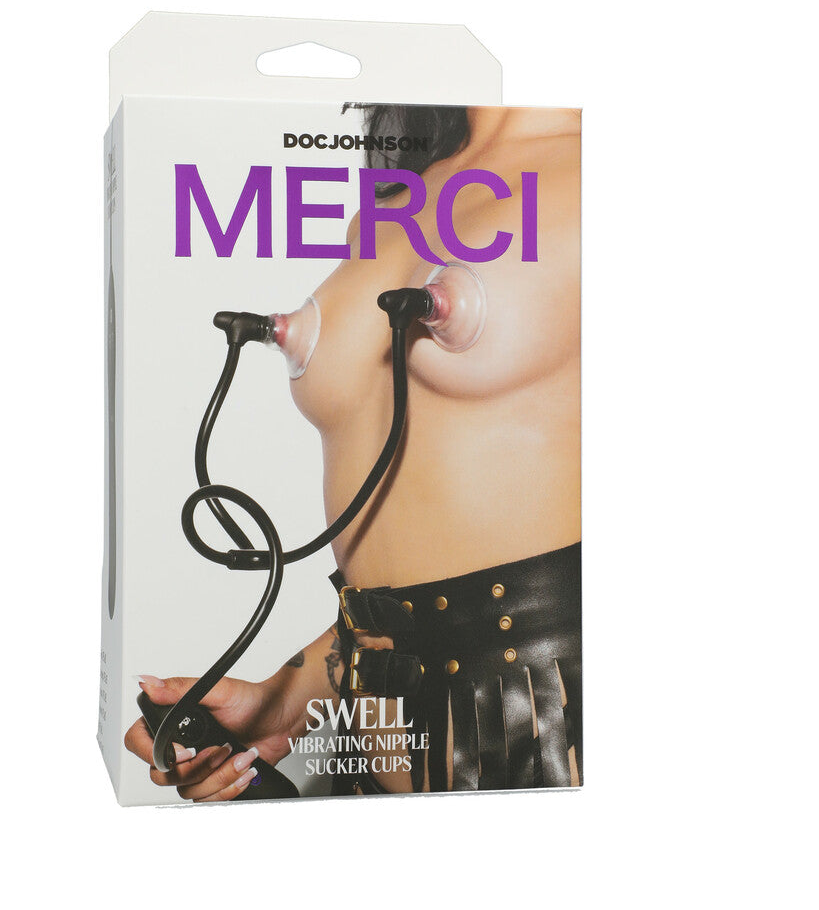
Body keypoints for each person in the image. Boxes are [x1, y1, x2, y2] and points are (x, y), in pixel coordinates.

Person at [125, 105, 582, 800]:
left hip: (561, 751)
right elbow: (424, 575)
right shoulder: (392, 206)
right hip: (362, 775)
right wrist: (287, 700)